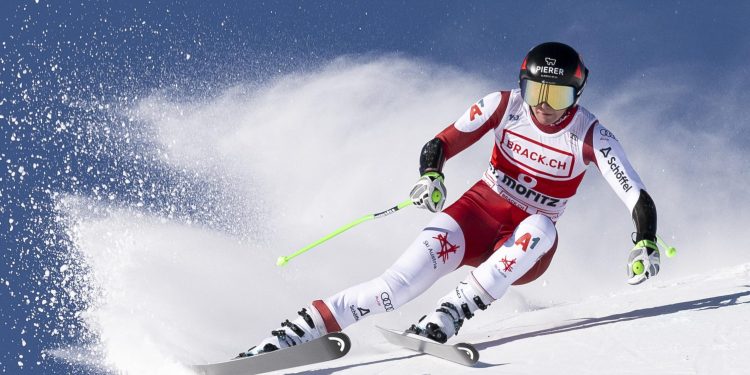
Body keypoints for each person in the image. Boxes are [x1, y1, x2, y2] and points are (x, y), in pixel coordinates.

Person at [242, 41, 660, 355]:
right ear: (523, 85)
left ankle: (450, 313)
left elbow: (635, 193)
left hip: (523, 245)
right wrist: (431, 176)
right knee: (393, 288)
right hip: (474, 215)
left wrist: (645, 241)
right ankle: (292, 335)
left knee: (541, 227)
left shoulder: (590, 136)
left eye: (558, 96)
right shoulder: (503, 106)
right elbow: (441, 142)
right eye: (536, 92)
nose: (545, 107)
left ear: (578, 93)